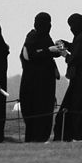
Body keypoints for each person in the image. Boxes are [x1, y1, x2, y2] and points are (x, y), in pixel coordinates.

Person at [53, 13, 82, 142]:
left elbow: (76, 58)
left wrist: (64, 54)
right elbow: (76, 48)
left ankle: (79, 135)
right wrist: (66, 44)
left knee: (78, 107)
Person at [19, 12, 60, 142]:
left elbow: (49, 53)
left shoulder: (45, 36)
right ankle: (34, 137)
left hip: (46, 83)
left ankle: (42, 137)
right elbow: (29, 55)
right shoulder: (32, 37)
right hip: (33, 83)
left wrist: (57, 49)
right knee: (34, 110)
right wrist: (48, 50)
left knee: (45, 109)